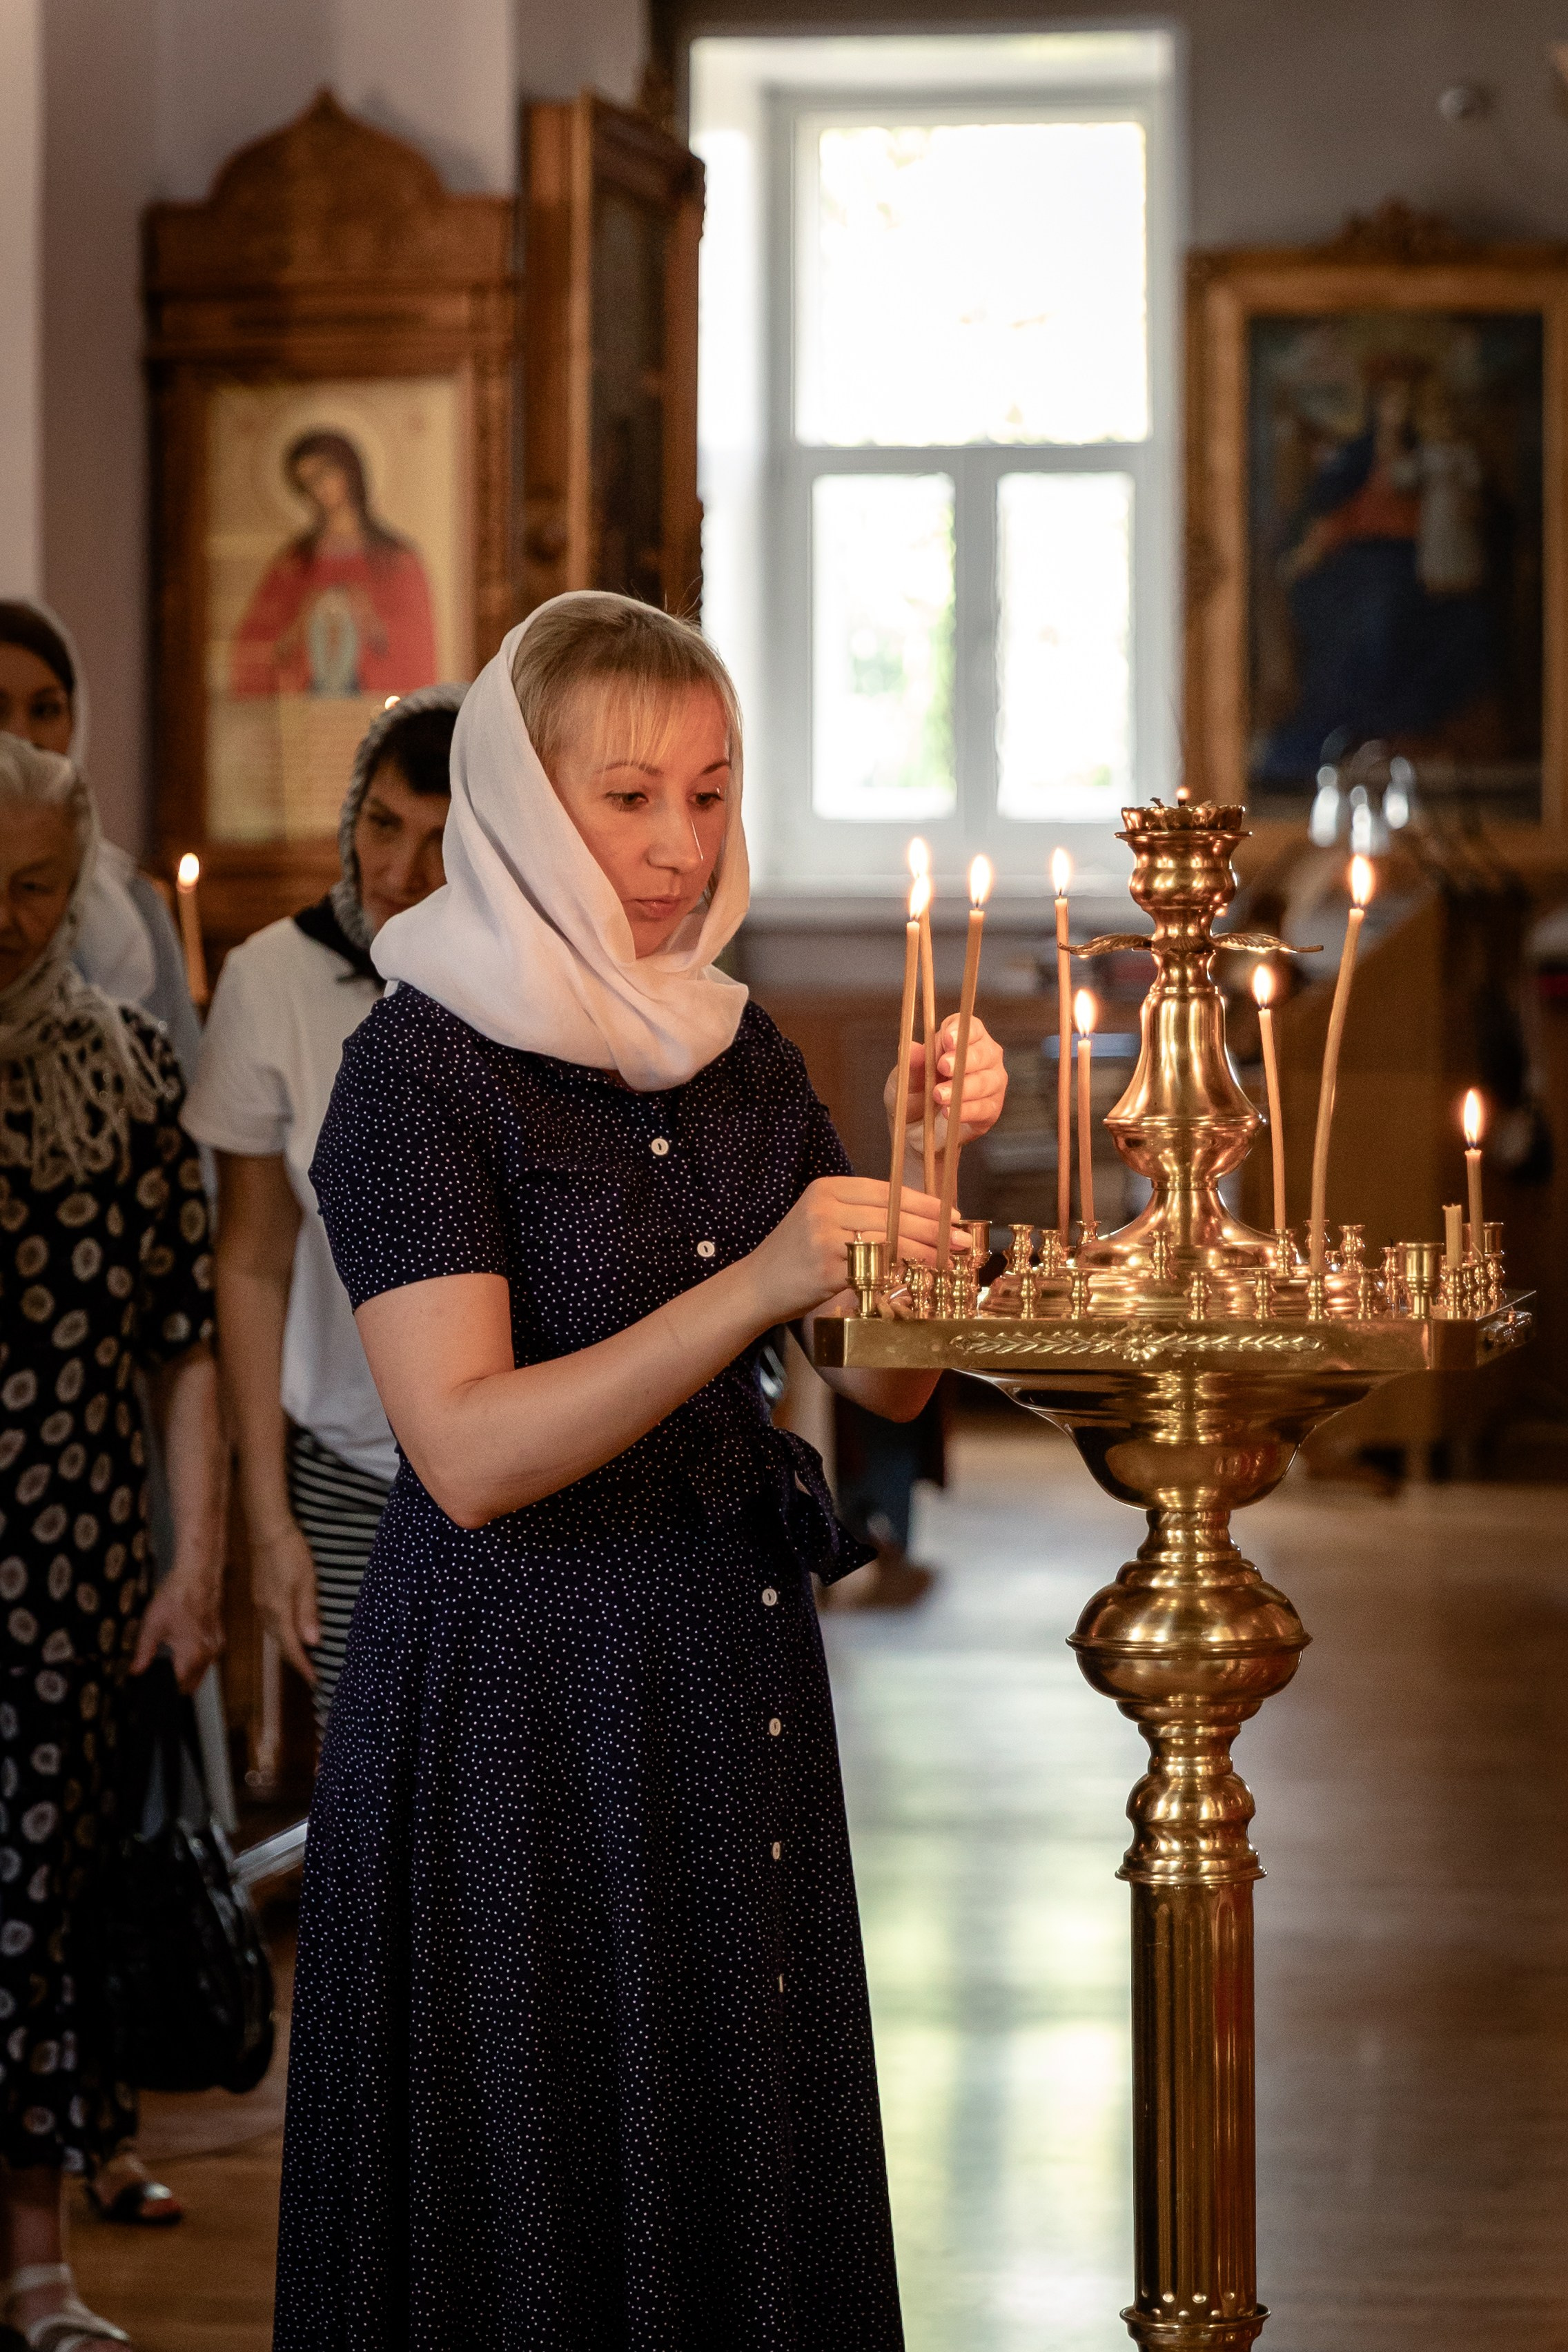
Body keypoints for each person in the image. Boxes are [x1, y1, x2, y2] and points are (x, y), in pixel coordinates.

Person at [272, 591, 1008, 2347]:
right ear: (524, 805)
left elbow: (881, 1377)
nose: (681, 845)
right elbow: (465, 1451)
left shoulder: (729, 1047)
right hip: (516, 1709)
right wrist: (752, 1283)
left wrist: (923, 1165)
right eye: (626, 799)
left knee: (723, 2142)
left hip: (718, 1683)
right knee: (535, 2175)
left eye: (709, 791)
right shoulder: (414, 1071)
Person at [0, 737, 226, 2352]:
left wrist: (194, 1562)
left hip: (69, 1555)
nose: (4, 918)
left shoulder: (133, 1068)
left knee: (41, 1903)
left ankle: (35, 2266)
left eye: (33, 885)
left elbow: (184, 1342)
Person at [183, 690, 462, 1731]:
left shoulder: (534, 995)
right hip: (347, 1461)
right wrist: (269, 1524)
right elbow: (252, 1261)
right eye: (382, 824)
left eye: (440, 842)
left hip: (527, 1468)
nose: (398, 870)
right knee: (367, 1767)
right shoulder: (272, 978)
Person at [229, 431, 437, 701]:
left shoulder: (396, 559)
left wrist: (371, 619)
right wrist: (301, 620)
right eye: (307, 483)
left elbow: (420, 644)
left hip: (372, 704)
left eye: (325, 472)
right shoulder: (294, 563)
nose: (319, 488)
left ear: (349, 469)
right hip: (308, 705)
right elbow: (252, 644)